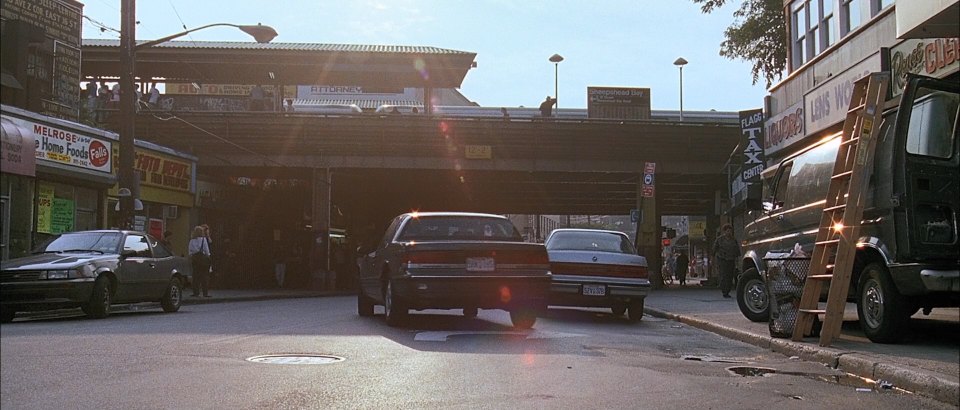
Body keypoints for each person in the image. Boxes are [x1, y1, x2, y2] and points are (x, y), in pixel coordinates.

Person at [712, 224, 741, 298]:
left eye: (730, 231)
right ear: (724, 231)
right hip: (722, 259)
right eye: (727, 231)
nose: (729, 232)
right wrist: (713, 259)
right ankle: (724, 291)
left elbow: (737, 251)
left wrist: (737, 261)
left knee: (730, 276)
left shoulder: (733, 240)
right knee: (723, 276)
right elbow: (714, 249)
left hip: (731, 259)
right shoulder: (719, 240)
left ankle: (727, 290)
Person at [188, 226, 212, 297]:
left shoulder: (191, 241)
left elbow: (190, 251)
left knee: (195, 277)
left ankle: (196, 292)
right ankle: (205, 293)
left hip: (195, 260)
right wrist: (208, 256)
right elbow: (206, 250)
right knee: (204, 277)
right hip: (203, 260)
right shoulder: (203, 240)